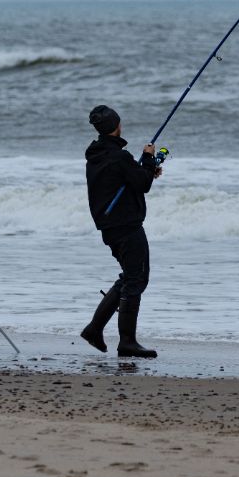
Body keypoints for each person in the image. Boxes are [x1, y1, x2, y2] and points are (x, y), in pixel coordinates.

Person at [80, 105, 162, 358]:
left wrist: (145, 170)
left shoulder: (97, 156)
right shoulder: (119, 157)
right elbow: (143, 184)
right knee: (137, 278)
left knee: (130, 276)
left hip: (110, 226)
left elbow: (130, 181)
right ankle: (127, 341)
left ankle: (94, 329)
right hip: (126, 225)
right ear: (117, 125)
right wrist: (148, 160)